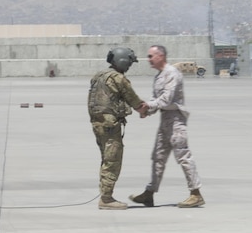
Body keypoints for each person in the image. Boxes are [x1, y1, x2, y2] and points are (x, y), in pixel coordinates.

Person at [129, 45, 205, 208]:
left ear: (161, 56)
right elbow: (157, 100)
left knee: (183, 156)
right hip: (165, 119)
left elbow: (167, 99)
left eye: (151, 56)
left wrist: (147, 106)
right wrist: (146, 111)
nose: (149, 59)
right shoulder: (159, 76)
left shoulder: (172, 73)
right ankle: (149, 194)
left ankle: (196, 193)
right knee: (158, 157)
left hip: (176, 119)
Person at [88, 47, 148, 210]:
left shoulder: (98, 76)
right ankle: (106, 199)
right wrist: (145, 110)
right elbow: (134, 101)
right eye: (129, 62)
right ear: (123, 61)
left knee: (106, 159)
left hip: (97, 124)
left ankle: (105, 195)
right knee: (112, 160)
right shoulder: (118, 78)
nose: (129, 66)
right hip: (110, 125)